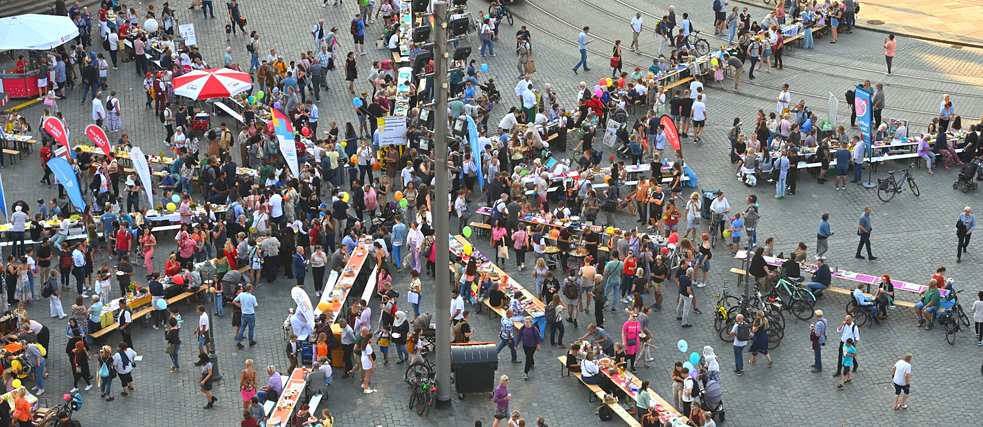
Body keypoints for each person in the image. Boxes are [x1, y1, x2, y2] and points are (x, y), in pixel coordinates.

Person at [233, 284, 258, 348]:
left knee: (242, 328)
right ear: (251, 289)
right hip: (250, 314)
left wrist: (241, 306)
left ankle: (238, 342)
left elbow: (234, 301)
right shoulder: (252, 297)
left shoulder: (241, 294)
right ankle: (250, 341)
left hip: (244, 314)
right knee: (251, 328)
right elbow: (256, 306)